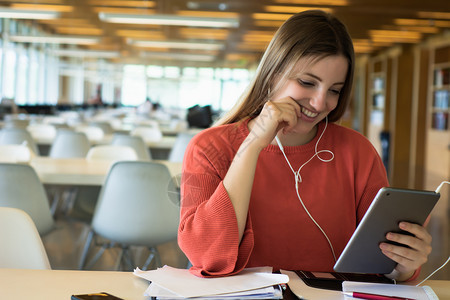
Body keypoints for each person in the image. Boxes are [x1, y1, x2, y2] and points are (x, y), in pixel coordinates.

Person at [178, 10, 432, 281]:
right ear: (272, 74)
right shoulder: (208, 147)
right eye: (307, 83)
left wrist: (404, 265)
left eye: (334, 90)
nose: (321, 103)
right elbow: (205, 257)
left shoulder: (357, 151)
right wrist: (252, 146)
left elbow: (381, 264)